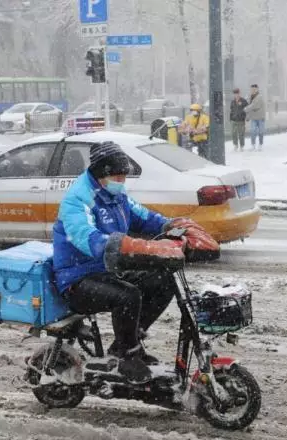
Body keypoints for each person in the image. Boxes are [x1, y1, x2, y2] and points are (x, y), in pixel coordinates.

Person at [52, 141, 219, 383]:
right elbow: (88, 239)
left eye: (124, 177)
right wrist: (133, 247)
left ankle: (126, 344)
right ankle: (127, 356)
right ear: (101, 173)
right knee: (127, 296)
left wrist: (173, 227)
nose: (121, 181)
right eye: (117, 176)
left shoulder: (116, 196)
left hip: (108, 270)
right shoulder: (78, 200)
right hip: (78, 278)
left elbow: (145, 217)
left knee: (162, 281)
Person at [247, 84, 266, 151]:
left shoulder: (260, 97)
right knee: (252, 131)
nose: (253, 90)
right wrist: (248, 116)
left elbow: (254, 106)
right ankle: (253, 145)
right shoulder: (250, 97)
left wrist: (246, 109)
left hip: (260, 117)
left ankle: (260, 144)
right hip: (253, 118)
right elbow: (250, 108)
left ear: (257, 89)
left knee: (261, 132)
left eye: (254, 89)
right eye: (252, 89)